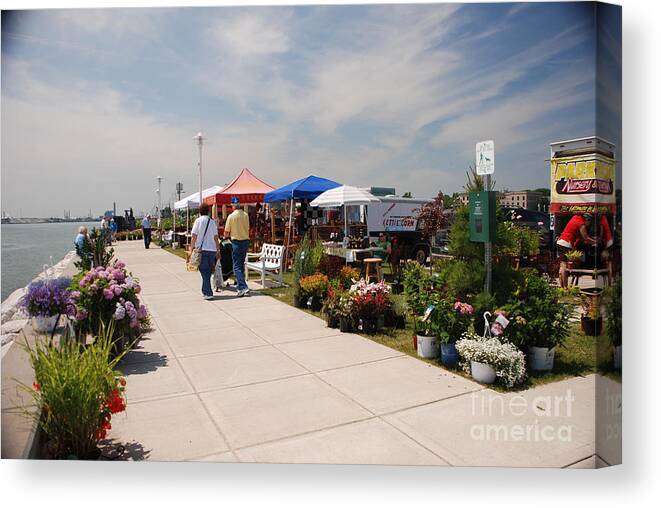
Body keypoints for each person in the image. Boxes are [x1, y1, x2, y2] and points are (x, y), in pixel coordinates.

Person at [556, 213, 597, 288]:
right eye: (589, 222)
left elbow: (578, 236)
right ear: (587, 220)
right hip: (566, 243)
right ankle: (565, 287)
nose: (589, 224)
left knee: (562, 265)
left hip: (560, 242)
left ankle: (562, 287)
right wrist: (595, 242)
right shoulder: (581, 224)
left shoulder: (575, 217)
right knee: (566, 266)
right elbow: (585, 237)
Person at [190, 204, 220, 300]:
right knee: (207, 270)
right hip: (211, 250)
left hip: (201, 250)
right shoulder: (212, 222)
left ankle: (208, 292)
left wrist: (192, 248)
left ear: (199, 211)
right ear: (208, 211)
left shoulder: (198, 221)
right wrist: (218, 249)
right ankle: (205, 290)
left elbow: (194, 236)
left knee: (204, 271)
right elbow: (216, 237)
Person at [224, 197, 250, 297]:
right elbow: (247, 228)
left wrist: (226, 237)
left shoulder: (231, 217)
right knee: (241, 264)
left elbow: (226, 232)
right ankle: (241, 284)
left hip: (236, 242)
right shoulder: (246, 215)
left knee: (236, 267)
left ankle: (242, 287)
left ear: (233, 205)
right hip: (245, 241)